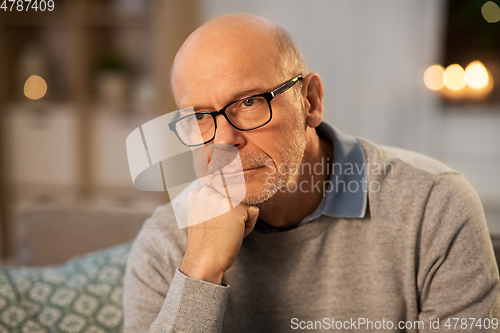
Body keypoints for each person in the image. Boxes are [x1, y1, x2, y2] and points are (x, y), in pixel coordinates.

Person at [123, 13, 500, 332]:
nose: (224, 139)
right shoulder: (165, 243)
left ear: (310, 101)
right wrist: (200, 270)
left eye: (250, 102)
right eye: (198, 117)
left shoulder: (433, 205)